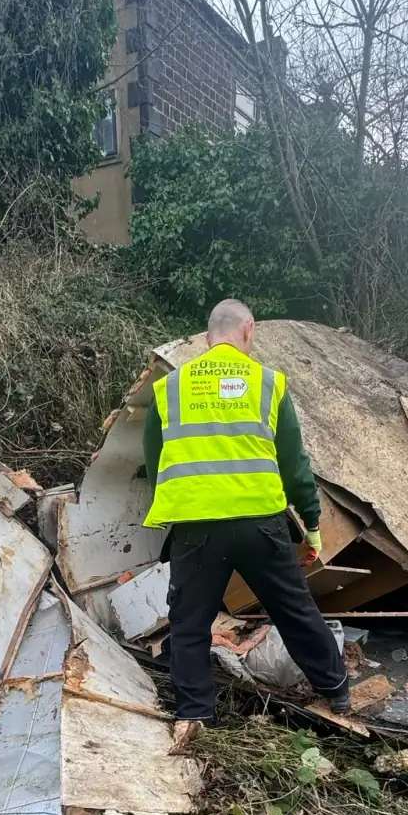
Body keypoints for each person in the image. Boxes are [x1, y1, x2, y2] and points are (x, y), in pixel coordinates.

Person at [143, 298, 350, 747]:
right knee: (294, 611)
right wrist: (311, 525)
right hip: (261, 524)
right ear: (248, 330)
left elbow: (155, 461)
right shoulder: (267, 384)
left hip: (196, 527)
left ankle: (195, 713)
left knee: (191, 622)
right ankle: (337, 694)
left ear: (207, 335)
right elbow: (295, 466)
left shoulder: (171, 387)